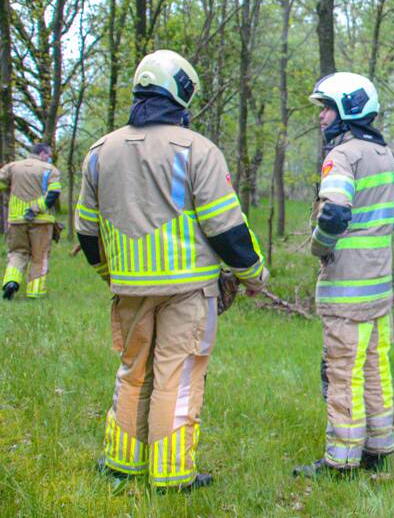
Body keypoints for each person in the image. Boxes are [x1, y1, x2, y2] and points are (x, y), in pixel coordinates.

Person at [75, 50, 268, 492]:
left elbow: (86, 231)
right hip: (187, 290)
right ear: (182, 93)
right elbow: (227, 229)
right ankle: (172, 474)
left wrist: (111, 272)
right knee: (177, 378)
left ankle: (121, 463)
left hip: (128, 289)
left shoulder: (99, 152)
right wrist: (253, 274)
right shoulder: (197, 150)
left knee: (132, 372)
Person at [295, 72, 394, 478]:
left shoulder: (343, 156)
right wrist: (378, 233)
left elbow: (333, 212)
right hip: (379, 291)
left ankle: (341, 461)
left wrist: (320, 246)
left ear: (348, 109)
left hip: (346, 293)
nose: (321, 117)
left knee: (343, 372)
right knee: (375, 368)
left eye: (326, 108)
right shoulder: (385, 155)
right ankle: (378, 449)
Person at [1, 143, 62, 299]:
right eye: (48, 155)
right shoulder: (50, 170)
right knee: (39, 256)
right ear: (42, 153)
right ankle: (35, 293)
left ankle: (11, 282)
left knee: (17, 252)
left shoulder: (12, 167)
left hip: (16, 220)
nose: (49, 158)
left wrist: (8, 194)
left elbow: (1, 183)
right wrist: (37, 208)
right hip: (41, 221)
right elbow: (54, 192)